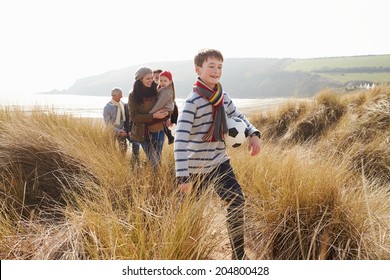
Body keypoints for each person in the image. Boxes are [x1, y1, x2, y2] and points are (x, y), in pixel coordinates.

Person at [174, 49, 261, 260]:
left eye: (219, 66)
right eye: (211, 66)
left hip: (219, 162)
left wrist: (253, 133)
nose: (216, 70)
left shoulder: (223, 97)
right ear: (198, 69)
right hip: (195, 169)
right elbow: (180, 140)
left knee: (236, 201)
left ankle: (238, 256)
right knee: (191, 214)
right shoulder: (191, 103)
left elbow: (238, 116)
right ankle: (188, 254)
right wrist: (182, 176)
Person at [128, 67, 169, 168]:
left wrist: (169, 117)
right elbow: (134, 117)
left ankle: (154, 180)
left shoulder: (158, 90)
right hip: (143, 132)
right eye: (148, 78)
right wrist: (153, 116)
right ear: (140, 79)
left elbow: (169, 102)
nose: (151, 80)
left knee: (157, 158)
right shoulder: (133, 95)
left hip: (159, 130)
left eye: (152, 78)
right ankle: (153, 179)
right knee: (154, 160)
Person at [149, 70, 175, 144]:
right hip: (165, 109)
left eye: (165, 81)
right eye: (161, 80)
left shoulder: (166, 92)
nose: (162, 82)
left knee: (158, 122)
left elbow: (159, 104)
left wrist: (150, 113)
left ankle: (170, 136)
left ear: (170, 82)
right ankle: (169, 136)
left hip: (165, 109)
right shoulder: (163, 89)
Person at [103, 87, 128, 155]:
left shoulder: (123, 104)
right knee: (112, 150)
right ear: (113, 96)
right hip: (112, 131)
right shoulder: (107, 107)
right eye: (120, 95)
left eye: (122, 94)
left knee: (124, 149)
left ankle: (121, 162)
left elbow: (126, 119)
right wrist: (118, 131)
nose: (122, 96)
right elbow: (108, 124)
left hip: (122, 131)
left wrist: (123, 130)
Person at [124, 103, 141, 167]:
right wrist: (129, 130)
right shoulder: (127, 106)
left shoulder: (126, 105)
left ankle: (135, 165)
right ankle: (135, 165)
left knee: (136, 148)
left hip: (137, 131)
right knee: (136, 147)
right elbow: (128, 119)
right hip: (131, 131)